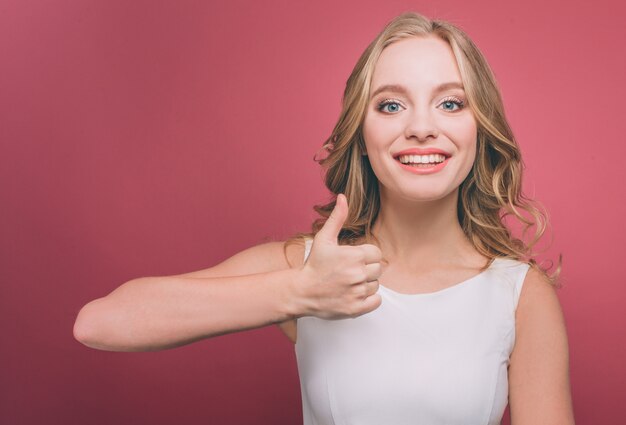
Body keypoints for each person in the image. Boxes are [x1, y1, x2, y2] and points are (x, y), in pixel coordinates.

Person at [73, 11, 574, 424]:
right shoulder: (310, 269)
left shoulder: (519, 294)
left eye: (450, 102)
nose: (422, 127)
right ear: (361, 135)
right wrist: (299, 292)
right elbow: (100, 323)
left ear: (480, 128)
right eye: (392, 104)